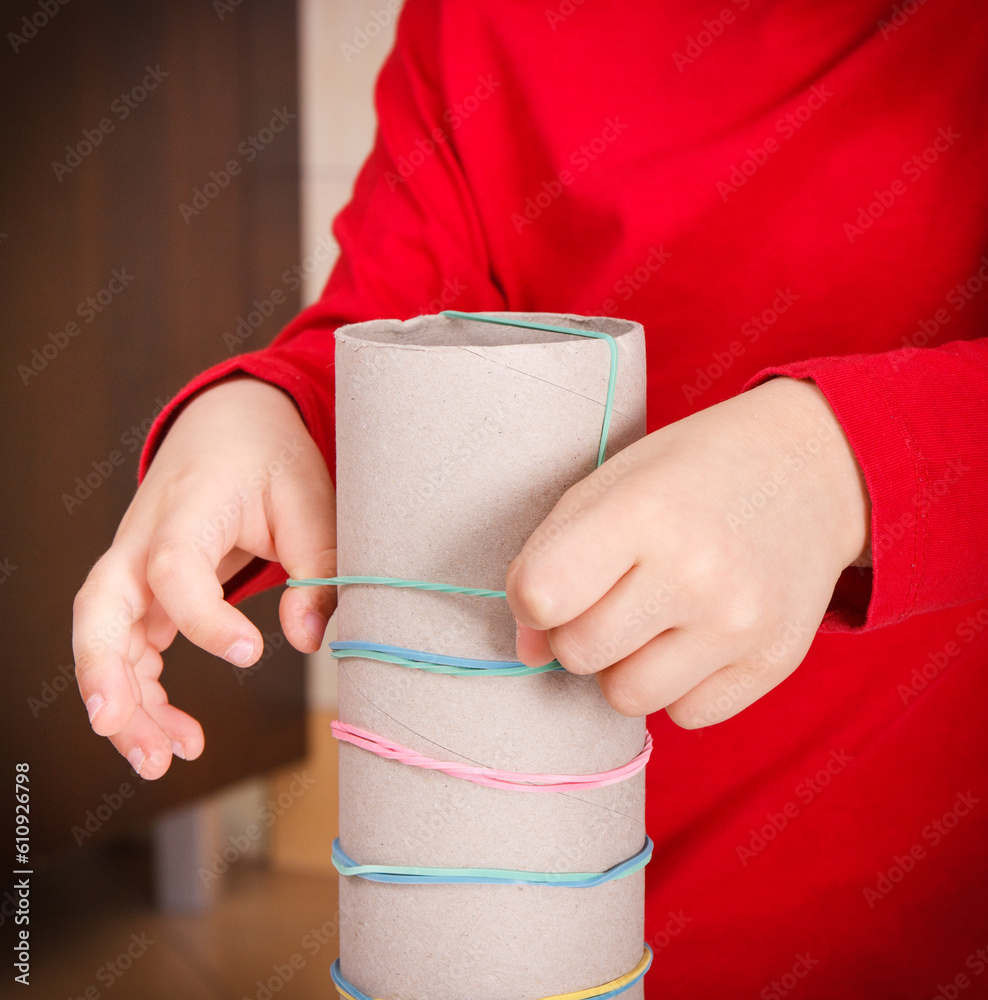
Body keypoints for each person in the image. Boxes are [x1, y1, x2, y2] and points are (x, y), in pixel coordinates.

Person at [72, 1, 988, 995]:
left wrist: (847, 469)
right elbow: (410, 324)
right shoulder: (475, 22)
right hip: (534, 917)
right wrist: (267, 409)